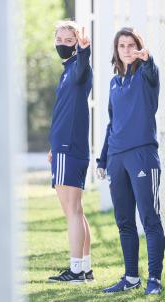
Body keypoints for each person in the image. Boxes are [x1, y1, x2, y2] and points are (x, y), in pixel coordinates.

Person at [97, 27, 165, 294]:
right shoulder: (115, 83)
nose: (126, 50)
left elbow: (152, 72)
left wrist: (148, 60)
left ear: (139, 47)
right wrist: (103, 159)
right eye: (121, 46)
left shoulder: (146, 76)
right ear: (116, 50)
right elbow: (112, 124)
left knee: (149, 218)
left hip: (142, 156)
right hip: (116, 158)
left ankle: (154, 280)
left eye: (131, 45)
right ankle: (131, 278)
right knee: (124, 220)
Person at [47, 20, 94, 284]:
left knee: (72, 211)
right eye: (60, 40)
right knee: (77, 211)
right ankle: (84, 268)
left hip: (69, 147)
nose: (63, 45)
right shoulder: (67, 71)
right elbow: (63, 113)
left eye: (69, 40)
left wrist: (84, 51)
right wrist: (52, 146)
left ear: (77, 43)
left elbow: (82, 71)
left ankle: (76, 270)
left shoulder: (78, 67)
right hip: (62, 147)